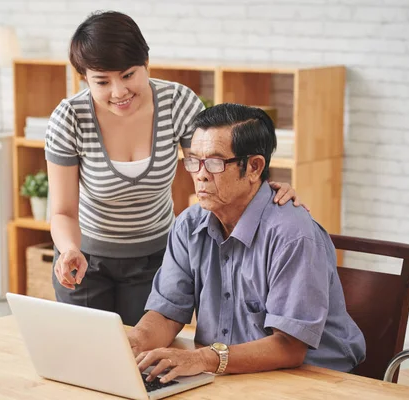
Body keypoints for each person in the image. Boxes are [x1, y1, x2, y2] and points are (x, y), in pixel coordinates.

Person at [44, 11, 303, 326]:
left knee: (142, 356)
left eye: (128, 75)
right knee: (83, 355)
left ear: (146, 64)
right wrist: (70, 248)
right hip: (84, 261)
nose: (118, 92)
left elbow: (218, 164)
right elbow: (63, 212)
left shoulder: (176, 102)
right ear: (83, 78)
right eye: (102, 81)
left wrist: (264, 187)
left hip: (155, 258)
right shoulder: (69, 118)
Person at [127, 103, 366, 383]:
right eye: (194, 160)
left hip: (313, 378)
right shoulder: (189, 225)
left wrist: (203, 358)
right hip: (229, 372)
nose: (200, 174)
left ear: (254, 167)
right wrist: (134, 344)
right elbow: (167, 313)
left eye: (215, 162)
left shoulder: (292, 234)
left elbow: (288, 348)